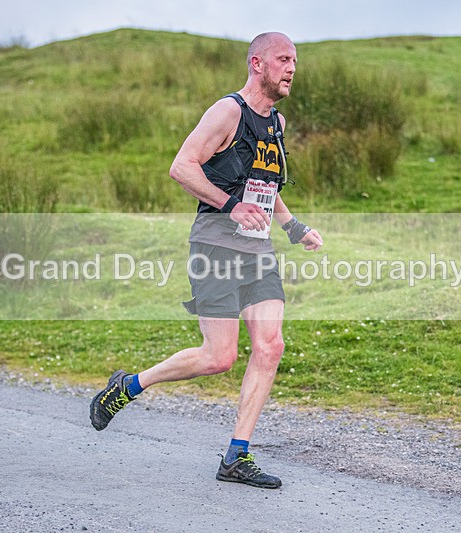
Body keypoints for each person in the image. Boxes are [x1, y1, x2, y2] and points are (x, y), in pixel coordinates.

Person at [90, 32, 323, 489]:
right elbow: (182, 166)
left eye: (295, 60)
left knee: (270, 345)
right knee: (219, 357)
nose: (292, 68)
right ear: (257, 63)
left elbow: (266, 187)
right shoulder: (228, 111)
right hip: (215, 245)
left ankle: (237, 455)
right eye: (283, 60)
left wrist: (294, 228)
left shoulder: (274, 122)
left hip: (257, 250)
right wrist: (228, 205)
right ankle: (130, 385)